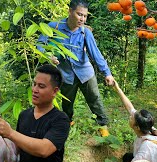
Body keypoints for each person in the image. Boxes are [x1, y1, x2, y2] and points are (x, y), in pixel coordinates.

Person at [37, 0, 114, 137]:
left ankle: (103, 126)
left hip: (85, 73)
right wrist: (48, 56)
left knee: (95, 99)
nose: (82, 19)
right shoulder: (54, 27)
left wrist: (107, 73)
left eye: (85, 16)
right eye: (79, 14)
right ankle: (67, 124)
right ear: (70, 11)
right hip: (65, 74)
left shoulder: (85, 32)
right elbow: (40, 45)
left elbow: (96, 54)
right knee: (67, 103)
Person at [0, 64, 70, 162]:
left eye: (41, 86)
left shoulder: (61, 119)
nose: (34, 90)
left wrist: (10, 133)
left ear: (55, 91)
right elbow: (17, 148)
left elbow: (45, 149)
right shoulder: (24, 115)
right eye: (34, 84)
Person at [112, 81, 157, 162]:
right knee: (126, 157)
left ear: (137, 127)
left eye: (131, 118)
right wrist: (117, 88)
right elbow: (130, 107)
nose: (130, 115)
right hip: (149, 160)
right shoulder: (149, 128)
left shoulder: (146, 149)